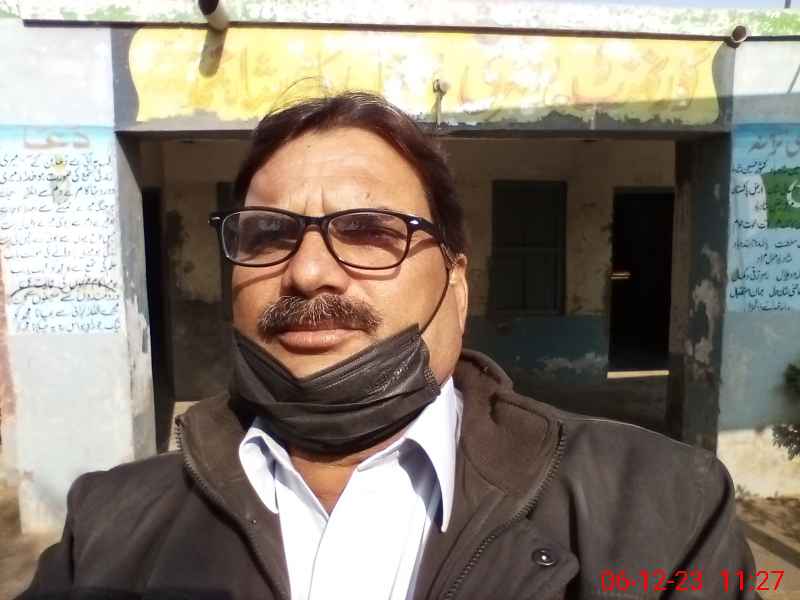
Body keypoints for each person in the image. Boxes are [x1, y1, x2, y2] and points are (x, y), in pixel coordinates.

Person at [22, 92, 755, 599]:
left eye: (371, 231)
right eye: (268, 234)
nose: (308, 271)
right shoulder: (106, 529)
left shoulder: (663, 512)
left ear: (456, 286)